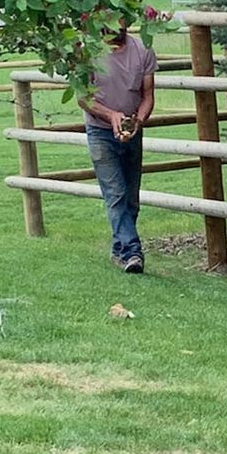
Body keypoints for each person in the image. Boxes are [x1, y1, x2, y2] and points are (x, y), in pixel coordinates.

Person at [80, 19, 157, 273]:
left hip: (132, 130)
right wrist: (112, 116)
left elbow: (148, 96)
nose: (115, 27)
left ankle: (119, 250)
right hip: (100, 131)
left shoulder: (143, 50)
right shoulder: (87, 53)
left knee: (131, 198)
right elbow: (83, 98)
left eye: (120, 21)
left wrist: (138, 120)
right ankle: (133, 250)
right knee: (115, 193)